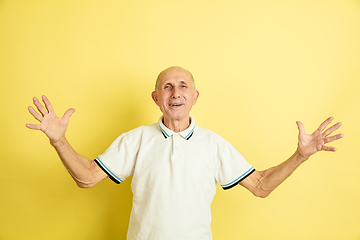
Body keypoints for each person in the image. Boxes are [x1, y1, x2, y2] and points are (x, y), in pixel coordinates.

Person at [26, 66, 343, 240]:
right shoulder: (135, 139)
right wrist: (59, 141)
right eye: (166, 87)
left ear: (194, 97)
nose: (175, 92)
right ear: (156, 97)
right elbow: (87, 178)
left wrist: (301, 154)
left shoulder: (214, 144)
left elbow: (261, 186)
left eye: (182, 86)